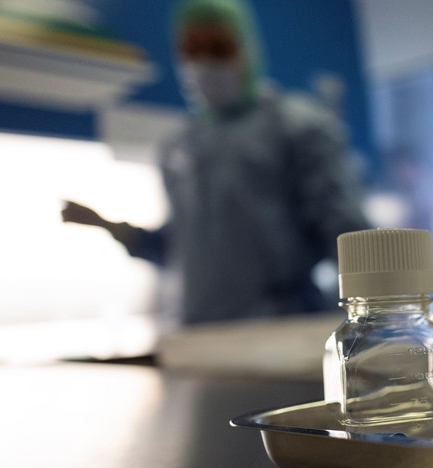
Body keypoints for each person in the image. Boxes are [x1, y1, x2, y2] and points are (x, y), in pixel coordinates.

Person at [63, 0, 369, 325]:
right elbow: (179, 250)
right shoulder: (180, 147)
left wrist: (377, 323)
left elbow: (346, 236)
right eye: (192, 50)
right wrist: (110, 227)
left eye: (218, 48)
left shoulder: (298, 127)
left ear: (247, 51)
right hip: (198, 332)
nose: (204, 63)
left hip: (281, 328)